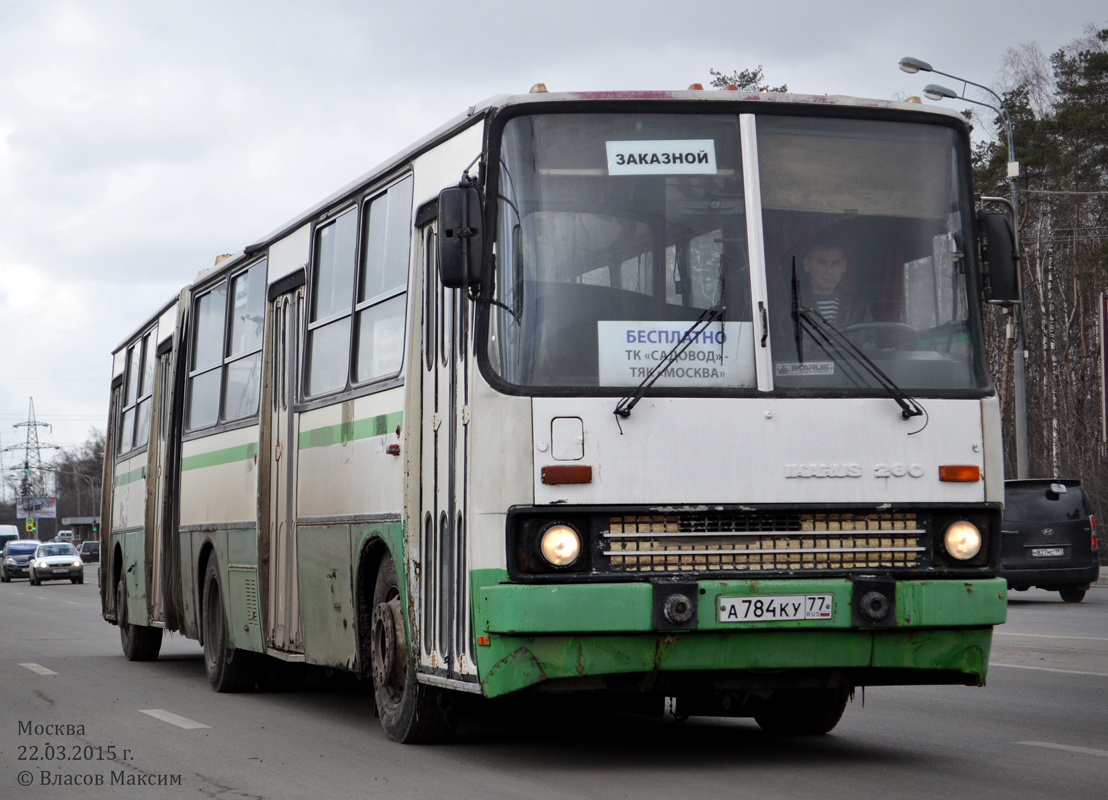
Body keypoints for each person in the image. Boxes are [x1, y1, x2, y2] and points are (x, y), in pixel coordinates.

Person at [799, 239, 866, 327]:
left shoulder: (858, 309)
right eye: (822, 262)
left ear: (843, 266)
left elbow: (868, 340)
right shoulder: (791, 307)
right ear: (807, 265)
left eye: (835, 263)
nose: (829, 271)